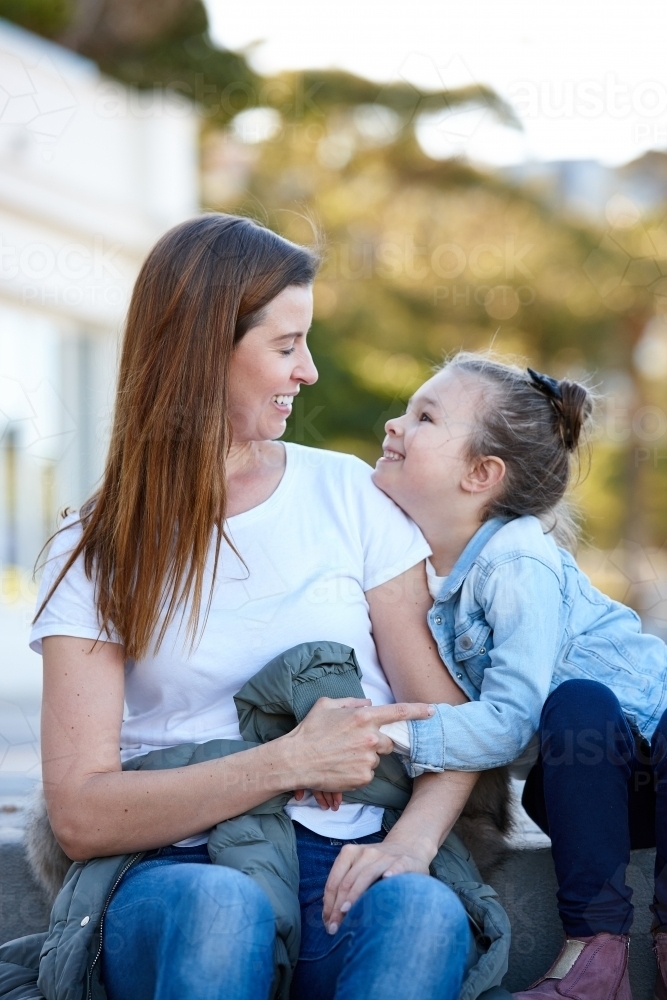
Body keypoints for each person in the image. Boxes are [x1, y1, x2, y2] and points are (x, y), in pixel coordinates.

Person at [28, 215, 480, 1000]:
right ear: (205, 350)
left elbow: (451, 726)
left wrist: (408, 844)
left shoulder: (348, 497)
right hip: (173, 871)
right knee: (222, 907)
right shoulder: (95, 545)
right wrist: (285, 762)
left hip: (341, 858)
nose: (306, 370)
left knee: (420, 914)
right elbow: (80, 813)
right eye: (284, 345)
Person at [371, 350, 667, 1000]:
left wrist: (388, 737)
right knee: (575, 714)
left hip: (657, 743)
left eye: (423, 416)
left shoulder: (515, 560)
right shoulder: (430, 574)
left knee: (577, 702)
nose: (393, 424)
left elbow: (506, 721)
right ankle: (599, 963)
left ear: (481, 473)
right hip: (607, 789)